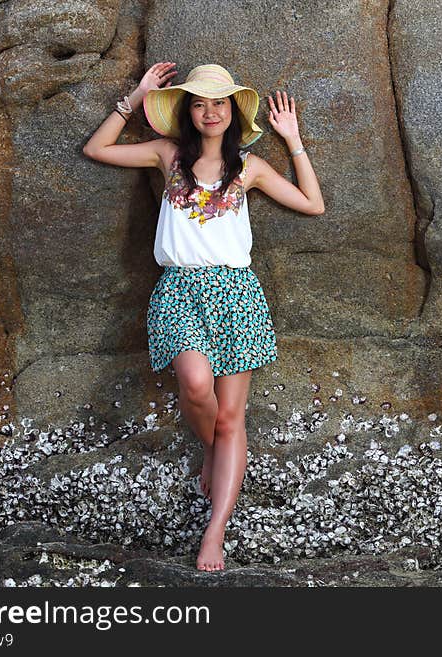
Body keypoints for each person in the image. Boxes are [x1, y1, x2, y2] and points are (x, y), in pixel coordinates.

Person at [82, 62, 324, 571]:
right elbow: (96, 149)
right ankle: (216, 450)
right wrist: (137, 96)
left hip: (237, 293)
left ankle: (214, 531)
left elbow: (312, 204)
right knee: (195, 384)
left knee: (232, 416)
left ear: (232, 112)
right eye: (199, 102)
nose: (210, 112)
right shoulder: (167, 155)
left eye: (219, 103)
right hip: (178, 290)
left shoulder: (250, 167)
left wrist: (294, 140)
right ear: (187, 113)